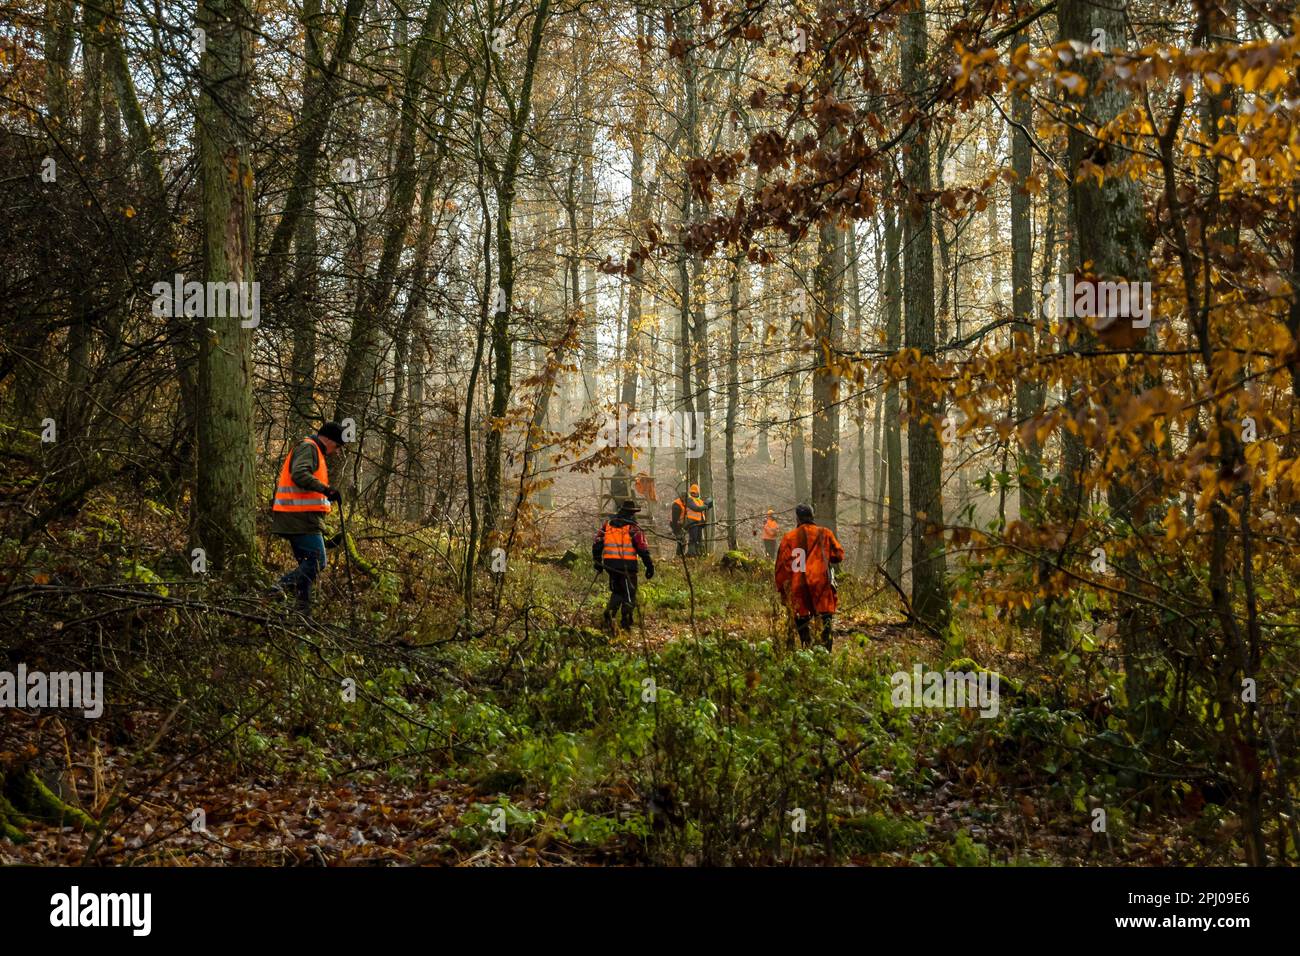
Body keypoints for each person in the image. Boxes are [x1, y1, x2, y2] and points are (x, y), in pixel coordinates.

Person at [267, 421, 349, 616]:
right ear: (327, 439)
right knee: (318, 561)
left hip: (300, 517)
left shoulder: (315, 452)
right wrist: (326, 489)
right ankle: (276, 588)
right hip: (298, 518)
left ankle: (303, 613)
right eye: (337, 446)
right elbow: (299, 474)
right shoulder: (308, 448)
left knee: (307, 567)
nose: (337, 451)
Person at [774, 503, 844, 650]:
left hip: (798, 587)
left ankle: (807, 649)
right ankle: (826, 653)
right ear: (813, 516)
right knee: (825, 621)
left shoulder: (788, 538)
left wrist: (783, 590)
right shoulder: (825, 533)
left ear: (797, 519)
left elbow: (782, 566)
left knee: (802, 620)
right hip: (821, 585)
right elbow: (838, 555)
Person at [593, 499, 655, 633]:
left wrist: (598, 562)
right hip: (627, 567)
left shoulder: (607, 525)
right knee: (629, 594)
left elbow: (597, 542)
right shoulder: (633, 528)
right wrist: (649, 566)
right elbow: (642, 548)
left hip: (610, 565)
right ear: (632, 513)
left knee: (617, 592)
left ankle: (609, 615)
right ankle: (625, 622)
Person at [670, 483, 711, 556]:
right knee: (682, 539)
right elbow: (674, 519)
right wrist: (675, 529)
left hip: (688, 522)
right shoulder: (677, 505)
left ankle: (696, 553)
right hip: (678, 523)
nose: (685, 499)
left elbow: (699, 507)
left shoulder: (693, 501)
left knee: (693, 539)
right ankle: (680, 555)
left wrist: (707, 504)